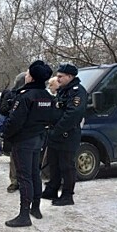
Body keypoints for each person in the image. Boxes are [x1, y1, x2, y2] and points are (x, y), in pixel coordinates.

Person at [3, 60, 53, 227]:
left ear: (32, 78)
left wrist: (6, 135)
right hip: (38, 139)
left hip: (23, 140)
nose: (26, 75)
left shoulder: (25, 96)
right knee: (34, 174)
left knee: (24, 177)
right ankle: (36, 208)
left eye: (28, 73)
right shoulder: (47, 96)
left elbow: (15, 121)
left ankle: (24, 215)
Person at [42, 63, 87, 206]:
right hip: (55, 134)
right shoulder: (62, 91)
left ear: (70, 76)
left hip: (68, 135)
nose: (58, 78)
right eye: (57, 75)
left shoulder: (77, 92)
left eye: (61, 76)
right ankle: (52, 189)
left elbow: (72, 115)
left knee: (66, 166)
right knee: (54, 164)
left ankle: (67, 195)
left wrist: (57, 130)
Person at [1, 72, 26, 192]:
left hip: (27, 131)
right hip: (14, 131)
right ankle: (14, 181)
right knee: (14, 158)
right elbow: (3, 109)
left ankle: (24, 181)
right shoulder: (11, 94)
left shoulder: (30, 94)